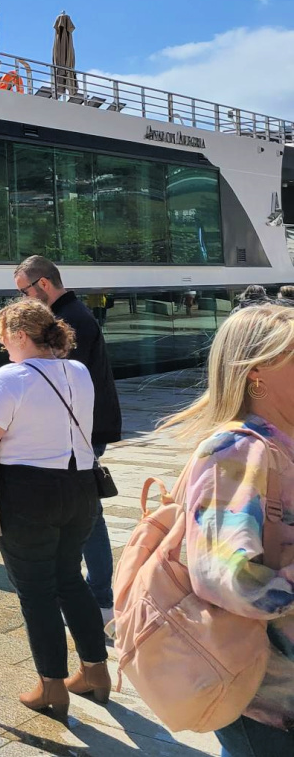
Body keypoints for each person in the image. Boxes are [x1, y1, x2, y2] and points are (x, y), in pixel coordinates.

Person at [156, 303, 294, 754]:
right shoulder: (235, 451)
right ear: (258, 372)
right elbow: (228, 578)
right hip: (268, 698)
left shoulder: (279, 442)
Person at [0, 298, 106, 721]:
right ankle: (95, 671)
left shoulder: (11, 376)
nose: (2, 346)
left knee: (36, 589)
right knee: (70, 580)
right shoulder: (77, 370)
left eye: (3, 337)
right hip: (80, 488)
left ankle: (51, 686)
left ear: (21, 334)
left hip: (28, 492)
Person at [15, 256, 121, 625]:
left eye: (24, 292)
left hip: (83, 431)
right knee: (85, 514)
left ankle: (100, 599)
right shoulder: (73, 312)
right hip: (86, 428)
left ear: (43, 284)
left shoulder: (69, 318)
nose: (23, 300)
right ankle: (88, 594)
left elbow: (61, 380)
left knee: (88, 517)